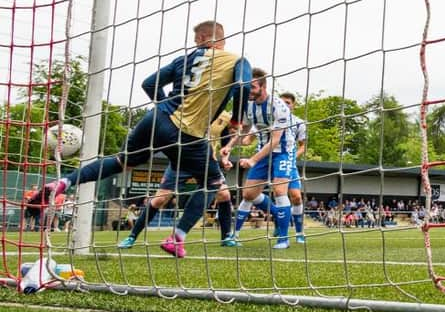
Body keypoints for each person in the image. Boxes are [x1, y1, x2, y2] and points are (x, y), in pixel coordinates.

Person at [37, 20, 251, 258]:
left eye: (196, 40)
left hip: (155, 118)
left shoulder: (184, 60)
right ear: (221, 39)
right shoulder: (236, 60)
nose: (194, 44)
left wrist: (163, 106)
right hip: (187, 132)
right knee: (212, 185)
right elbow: (242, 84)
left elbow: (149, 83)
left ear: (201, 39)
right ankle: (177, 238)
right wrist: (236, 121)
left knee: (120, 162)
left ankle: (62, 183)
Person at [117, 111, 238, 249]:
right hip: (182, 161)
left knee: (224, 194)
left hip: (206, 162)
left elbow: (226, 141)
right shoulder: (192, 107)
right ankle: (132, 236)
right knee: (160, 199)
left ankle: (226, 236)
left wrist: (224, 158)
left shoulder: (224, 116)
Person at [221, 67, 294, 249]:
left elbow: (276, 140)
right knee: (248, 194)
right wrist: (228, 146)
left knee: (279, 191)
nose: (249, 91)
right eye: (248, 87)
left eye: (253, 87)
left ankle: (283, 239)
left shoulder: (279, 107)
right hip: (263, 151)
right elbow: (243, 131)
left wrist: (253, 159)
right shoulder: (248, 105)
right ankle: (235, 236)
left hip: (282, 152)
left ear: (263, 86)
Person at [279, 92, 307, 243]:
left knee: (296, 196)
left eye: (288, 102)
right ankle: (279, 223)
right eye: (282, 102)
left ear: (293, 106)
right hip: (268, 162)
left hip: (288, 163)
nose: (285, 104)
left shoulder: (299, 123)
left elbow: (303, 146)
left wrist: (292, 156)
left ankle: (298, 233)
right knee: (251, 194)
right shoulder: (271, 121)